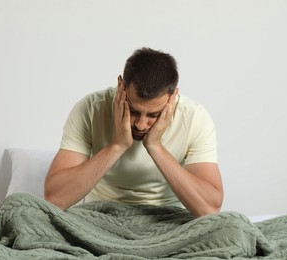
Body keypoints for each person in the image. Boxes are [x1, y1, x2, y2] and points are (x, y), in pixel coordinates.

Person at [45, 47, 223, 217]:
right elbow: (54, 199)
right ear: (120, 86)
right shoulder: (90, 108)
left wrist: (155, 146)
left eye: (154, 114)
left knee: (234, 226)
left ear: (173, 97)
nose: (141, 125)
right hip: (99, 217)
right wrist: (118, 145)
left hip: (168, 221)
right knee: (22, 208)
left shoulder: (195, 118)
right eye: (134, 111)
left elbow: (209, 209)